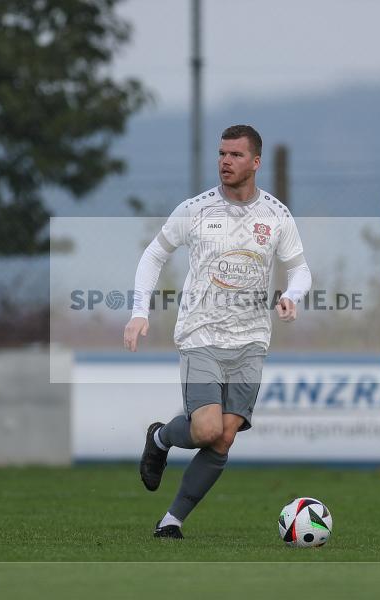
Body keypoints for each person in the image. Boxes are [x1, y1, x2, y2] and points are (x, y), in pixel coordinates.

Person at [123, 124, 312, 539]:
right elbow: (155, 254)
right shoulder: (196, 209)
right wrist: (140, 311)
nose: (225, 161)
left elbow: (300, 267)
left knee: (223, 438)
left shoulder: (276, 215)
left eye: (236, 155)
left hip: (251, 341)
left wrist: (292, 295)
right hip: (201, 333)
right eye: (222, 154)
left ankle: (171, 521)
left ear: (256, 162)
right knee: (206, 428)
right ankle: (160, 439)